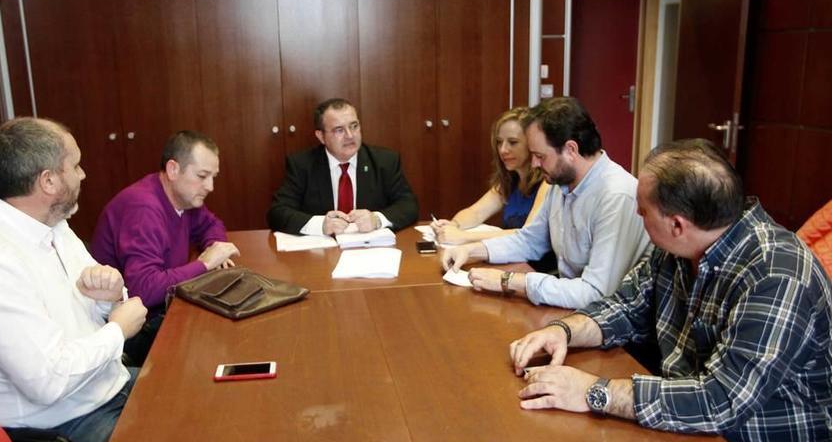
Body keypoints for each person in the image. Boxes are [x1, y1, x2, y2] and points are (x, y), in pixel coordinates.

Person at [510, 139, 832, 442]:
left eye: (643, 211)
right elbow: (627, 305)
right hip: (683, 423)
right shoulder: (680, 246)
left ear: (677, 224)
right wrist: (563, 331)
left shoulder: (776, 275)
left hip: (752, 439)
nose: (637, 216)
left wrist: (594, 392)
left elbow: (721, 401)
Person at [0, 118, 148, 442]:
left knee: (205, 396)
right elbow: (47, 381)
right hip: (60, 422)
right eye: (76, 165)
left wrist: (109, 297)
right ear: (48, 181)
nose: (83, 174)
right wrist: (117, 330)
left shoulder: (53, 226)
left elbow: (90, 310)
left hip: (106, 386)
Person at [441, 97, 651, 309]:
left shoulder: (616, 196)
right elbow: (529, 240)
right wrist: (471, 250)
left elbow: (595, 293)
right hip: (570, 306)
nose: (534, 164)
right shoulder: (559, 183)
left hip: (610, 321)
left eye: (540, 156)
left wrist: (509, 281)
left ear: (571, 150)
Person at [91, 131, 240, 312]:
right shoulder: (143, 209)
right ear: (173, 170)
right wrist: (205, 264)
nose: (210, 187)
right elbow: (142, 289)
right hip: (134, 322)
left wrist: (215, 247)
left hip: (165, 303)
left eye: (213, 177)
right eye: (202, 176)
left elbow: (211, 224)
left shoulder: (184, 197)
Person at [267, 98, 418, 235]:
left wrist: (376, 219)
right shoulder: (302, 165)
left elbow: (408, 205)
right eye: (339, 130)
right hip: (322, 256)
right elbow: (277, 213)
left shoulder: (384, 161)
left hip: (370, 251)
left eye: (354, 126)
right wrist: (321, 225)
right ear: (321, 136)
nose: (350, 135)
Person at [430, 107, 550, 244]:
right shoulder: (509, 181)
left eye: (513, 142)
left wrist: (462, 236)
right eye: (499, 142)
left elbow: (528, 234)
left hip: (535, 264)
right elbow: (475, 213)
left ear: (532, 144)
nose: (503, 150)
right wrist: (452, 225)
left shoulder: (547, 183)